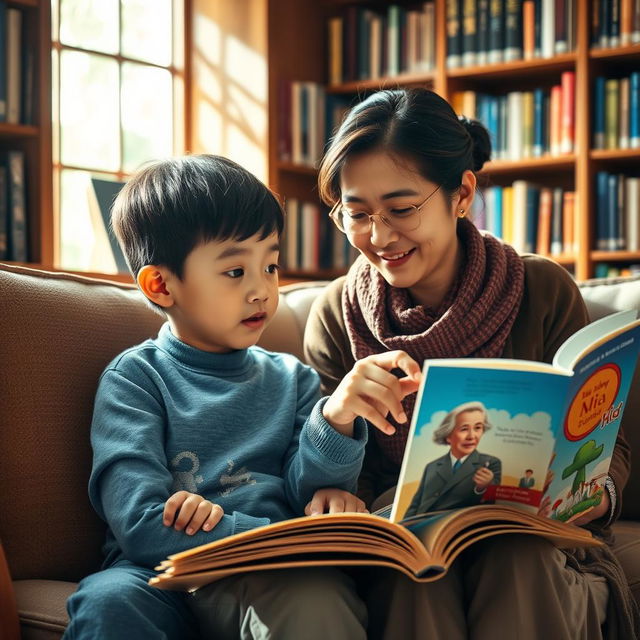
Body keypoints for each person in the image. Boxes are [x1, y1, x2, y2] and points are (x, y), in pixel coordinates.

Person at [303, 88, 639, 639]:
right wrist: (337, 423)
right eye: (357, 214)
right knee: (416, 572)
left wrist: (584, 498)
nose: (380, 237)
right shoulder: (336, 315)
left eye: (402, 209)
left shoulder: (540, 289)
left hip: (532, 542)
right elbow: (329, 484)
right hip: (407, 547)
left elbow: (607, 444)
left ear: (461, 194)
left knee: (516, 556)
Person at [63, 154, 422, 640]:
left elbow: (307, 489)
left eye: (270, 265)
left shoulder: (291, 377)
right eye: (235, 272)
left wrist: (335, 421)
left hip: (270, 573)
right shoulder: (135, 379)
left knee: (315, 599)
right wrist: (265, 534)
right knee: (106, 601)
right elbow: (140, 522)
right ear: (161, 284)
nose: (262, 290)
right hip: (160, 572)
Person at [404, 401, 501, 518]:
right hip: (419, 525)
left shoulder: (491, 463)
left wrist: (485, 487)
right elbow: (416, 504)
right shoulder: (432, 466)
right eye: (464, 429)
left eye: (478, 428)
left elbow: (490, 509)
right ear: (448, 436)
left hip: (454, 528)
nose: (472, 436)